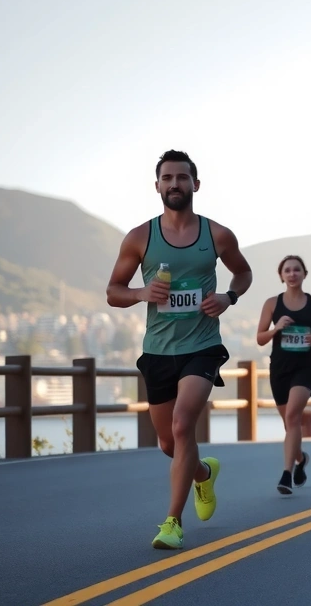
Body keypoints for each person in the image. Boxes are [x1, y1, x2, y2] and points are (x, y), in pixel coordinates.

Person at [106, 149, 253, 550]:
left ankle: (172, 522)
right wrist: (139, 292)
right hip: (157, 350)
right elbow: (113, 292)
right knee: (169, 444)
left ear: (196, 184)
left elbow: (243, 272)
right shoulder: (140, 237)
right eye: (167, 178)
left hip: (202, 346)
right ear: (157, 186)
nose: (175, 184)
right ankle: (203, 473)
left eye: (182, 178)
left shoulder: (217, 234)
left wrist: (228, 297)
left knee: (183, 424)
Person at [255, 255, 311, 494]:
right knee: (290, 425)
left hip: (306, 367)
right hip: (280, 368)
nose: (292, 274)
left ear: (304, 274)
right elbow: (259, 338)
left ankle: (286, 474)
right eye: (287, 271)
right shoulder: (272, 304)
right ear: (281, 276)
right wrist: (275, 328)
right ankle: (300, 459)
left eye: (296, 270)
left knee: (292, 417)